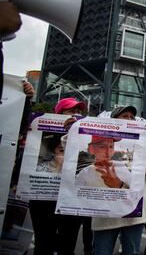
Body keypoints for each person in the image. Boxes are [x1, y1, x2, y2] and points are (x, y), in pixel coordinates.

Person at [91, 105, 146, 255]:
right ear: (113, 121)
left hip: (133, 209)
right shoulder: (99, 139)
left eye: (132, 117)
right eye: (125, 116)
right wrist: (70, 134)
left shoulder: (143, 142)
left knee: (131, 252)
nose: (130, 119)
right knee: (101, 251)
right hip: (105, 211)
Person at [29, 97, 87, 255]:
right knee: (43, 244)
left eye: (79, 111)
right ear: (59, 113)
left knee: (67, 246)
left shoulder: (84, 136)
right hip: (43, 199)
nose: (76, 115)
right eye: (71, 111)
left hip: (71, 199)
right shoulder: (40, 130)